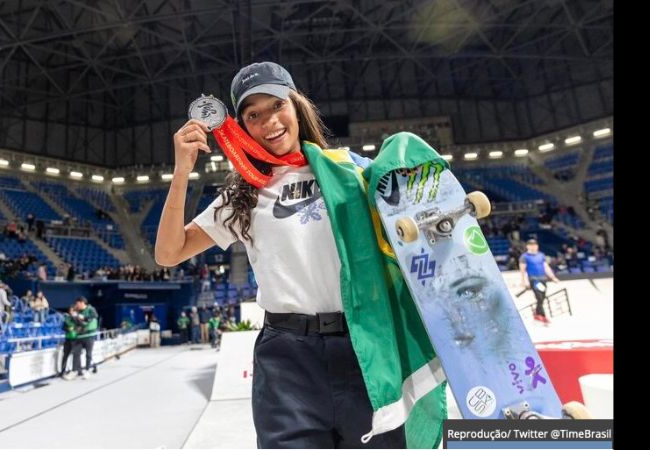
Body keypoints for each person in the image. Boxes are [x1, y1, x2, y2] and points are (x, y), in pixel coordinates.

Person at [154, 62, 443, 448]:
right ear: (240, 128)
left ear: (296, 105)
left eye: (276, 105)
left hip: (365, 349)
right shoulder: (244, 195)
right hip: (287, 361)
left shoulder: (352, 171)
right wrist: (181, 170)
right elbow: (169, 253)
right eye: (253, 114)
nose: (269, 121)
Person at [519, 239, 561, 324]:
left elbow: (546, 267)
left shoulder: (541, 255)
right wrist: (524, 281)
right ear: (527, 246)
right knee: (539, 297)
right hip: (534, 279)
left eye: (535, 245)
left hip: (543, 279)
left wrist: (553, 277)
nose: (533, 246)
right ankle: (543, 316)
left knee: (542, 298)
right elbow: (522, 270)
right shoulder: (524, 256)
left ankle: (537, 313)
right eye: (531, 245)